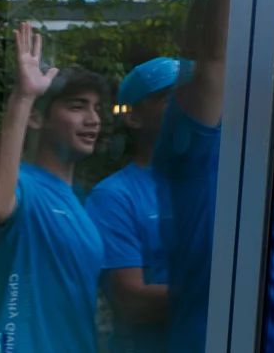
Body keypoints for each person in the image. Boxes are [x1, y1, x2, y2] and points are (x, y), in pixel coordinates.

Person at [0, 24, 108, 352]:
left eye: (96, 108)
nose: (93, 119)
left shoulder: (80, 203)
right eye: (77, 107)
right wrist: (23, 97)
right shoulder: (23, 186)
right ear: (37, 118)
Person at [83, 57, 179, 352]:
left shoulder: (222, 186)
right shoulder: (113, 196)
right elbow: (130, 302)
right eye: (169, 98)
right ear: (134, 118)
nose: (185, 107)